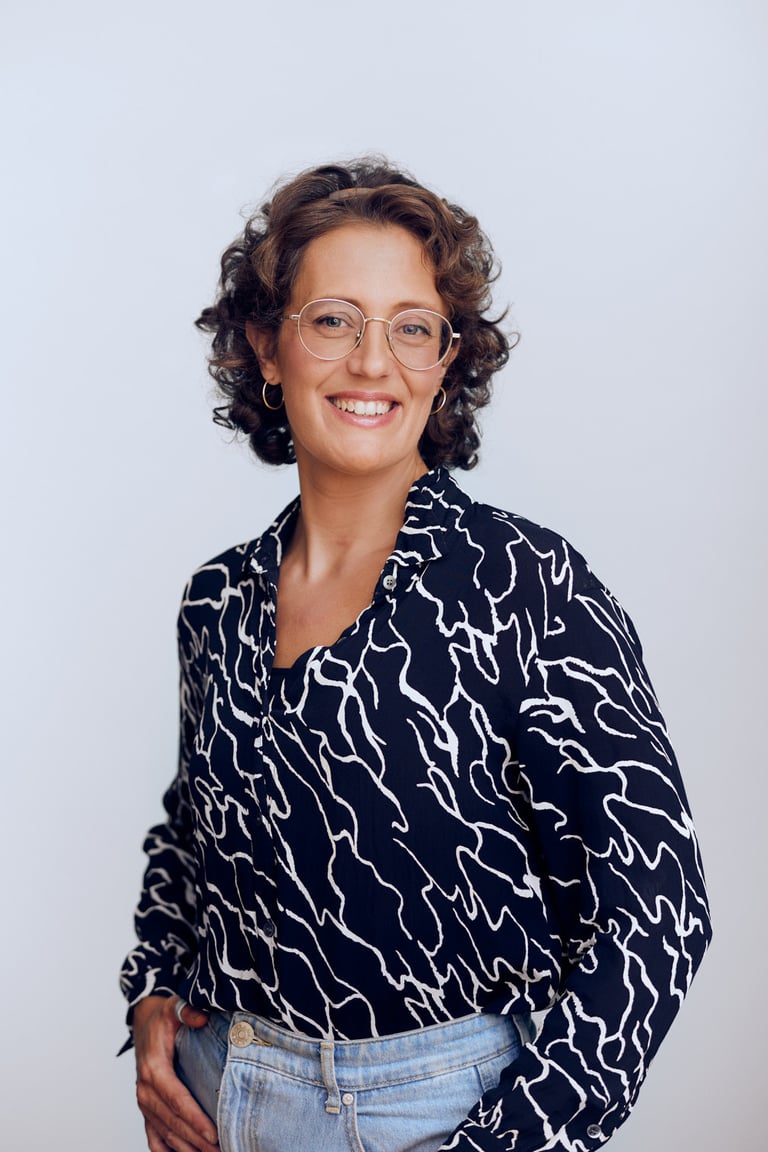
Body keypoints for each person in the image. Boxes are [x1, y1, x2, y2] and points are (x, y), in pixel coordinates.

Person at [120, 158, 711, 1152]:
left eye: (411, 327)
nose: (372, 361)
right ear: (267, 345)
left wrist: (509, 1143)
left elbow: (658, 912)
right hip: (222, 1090)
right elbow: (189, 839)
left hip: (441, 1113)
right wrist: (152, 996)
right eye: (333, 320)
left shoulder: (525, 586)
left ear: (446, 361)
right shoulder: (218, 599)